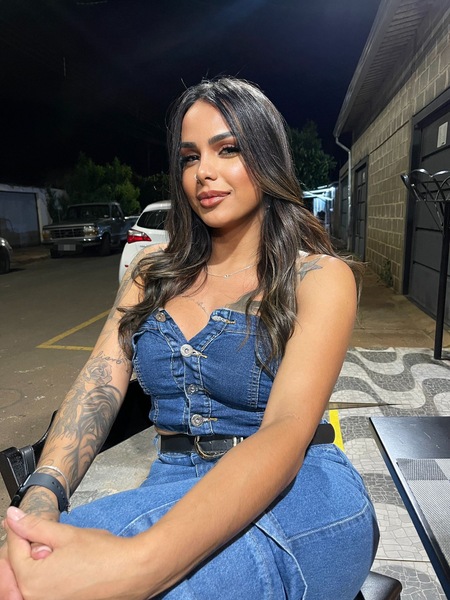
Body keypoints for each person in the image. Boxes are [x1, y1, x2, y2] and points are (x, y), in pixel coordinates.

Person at [1, 77, 379, 600]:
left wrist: (141, 563)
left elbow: (287, 431)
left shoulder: (317, 277)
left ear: (267, 158)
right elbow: (97, 385)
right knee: (23, 571)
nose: (204, 172)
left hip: (300, 493)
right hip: (174, 481)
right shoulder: (150, 273)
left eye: (228, 150)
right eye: (189, 157)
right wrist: (43, 494)